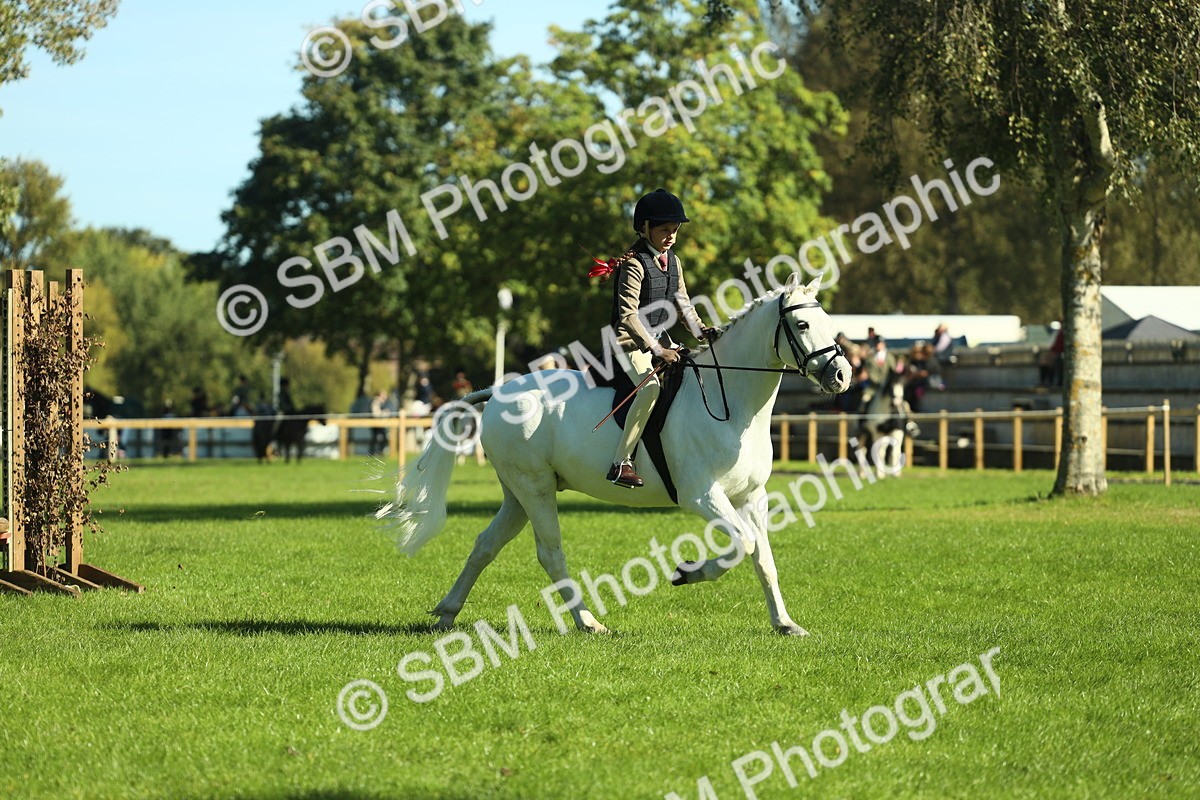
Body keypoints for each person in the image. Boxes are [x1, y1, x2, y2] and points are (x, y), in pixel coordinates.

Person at [603, 188, 715, 488]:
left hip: (659, 338)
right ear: (645, 228)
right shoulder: (634, 264)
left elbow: (683, 302)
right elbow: (628, 316)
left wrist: (701, 331)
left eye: (675, 230)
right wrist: (655, 348)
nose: (671, 236)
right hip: (628, 342)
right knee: (650, 388)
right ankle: (620, 462)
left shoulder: (673, 262)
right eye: (664, 229)